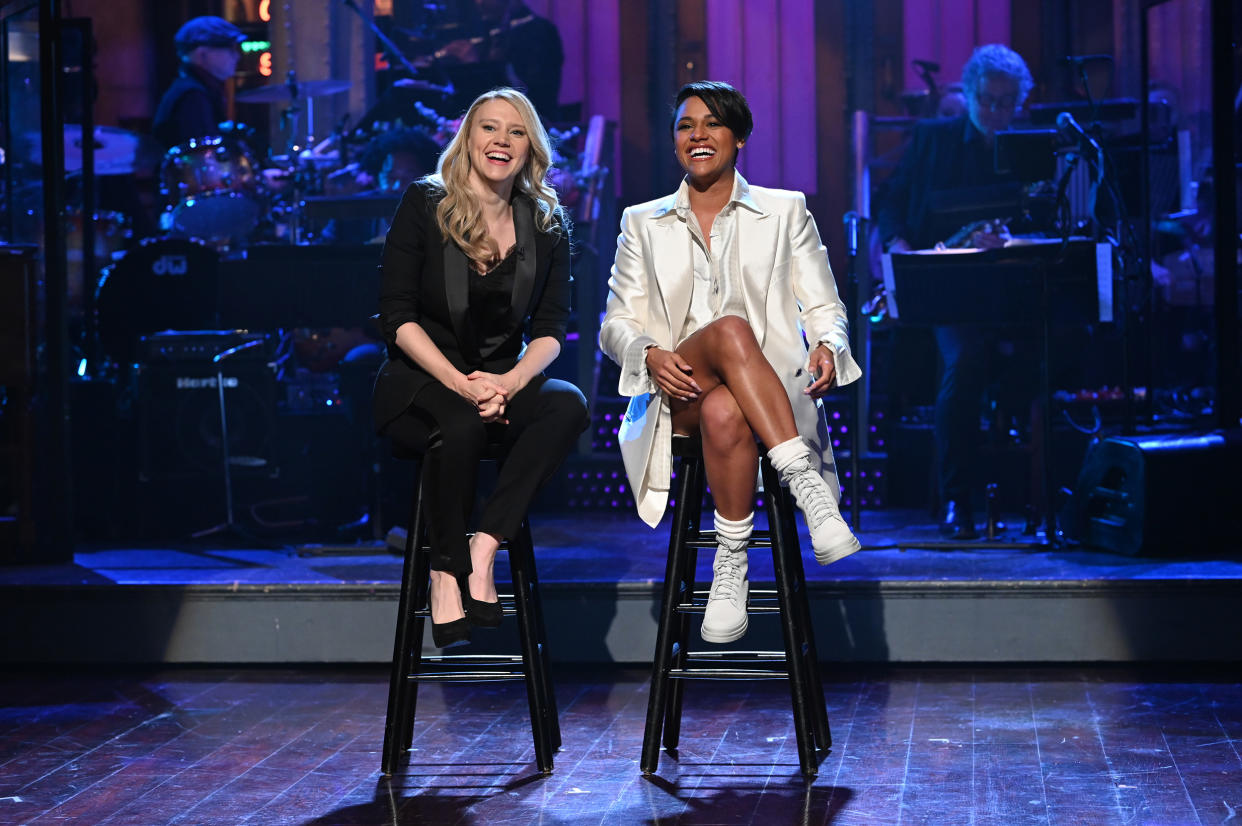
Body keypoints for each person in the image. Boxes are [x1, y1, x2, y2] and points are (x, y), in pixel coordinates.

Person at [599, 81, 862, 645]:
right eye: (685, 125)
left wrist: (827, 346)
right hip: (678, 393)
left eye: (712, 123)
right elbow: (615, 323)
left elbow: (824, 306)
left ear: (739, 137)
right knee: (728, 334)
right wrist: (646, 352)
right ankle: (806, 486)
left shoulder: (786, 211)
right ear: (675, 144)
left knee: (727, 410)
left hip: (759, 402)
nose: (698, 134)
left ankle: (730, 563)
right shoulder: (640, 222)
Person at [373, 88, 588, 648]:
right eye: (488, 128)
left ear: (530, 147)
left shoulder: (547, 222)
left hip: (499, 384)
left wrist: (510, 382)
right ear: (468, 138)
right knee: (460, 424)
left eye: (515, 132)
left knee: (567, 403)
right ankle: (443, 572)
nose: (500, 141)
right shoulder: (425, 204)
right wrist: (460, 384)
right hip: (421, 382)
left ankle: (483, 545)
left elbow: (551, 331)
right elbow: (397, 317)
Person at [876, 44, 1035, 539]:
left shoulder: (1030, 146)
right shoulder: (934, 140)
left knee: (1051, 354)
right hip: (949, 286)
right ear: (967, 95)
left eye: (1008, 102)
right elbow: (893, 205)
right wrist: (901, 248)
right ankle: (957, 499)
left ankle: (1042, 497)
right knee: (963, 363)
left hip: (1014, 284)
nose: (996, 112)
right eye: (988, 100)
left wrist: (1011, 239)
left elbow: (1046, 219)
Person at [152, 16, 246, 149]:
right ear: (202, 54)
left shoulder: (192, 90)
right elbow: (203, 160)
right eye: (230, 49)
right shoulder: (192, 96)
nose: (237, 56)